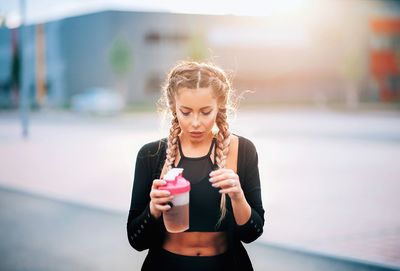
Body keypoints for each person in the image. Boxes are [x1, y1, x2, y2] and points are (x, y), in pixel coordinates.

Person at [127, 60, 265, 271]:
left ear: (219, 107)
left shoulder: (242, 150)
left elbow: (252, 234)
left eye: (206, 111)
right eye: (186, 112)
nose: (195, 122)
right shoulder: (150, 155)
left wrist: (238, 196)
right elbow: (137, 241)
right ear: (173, 107)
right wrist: (153, 209)